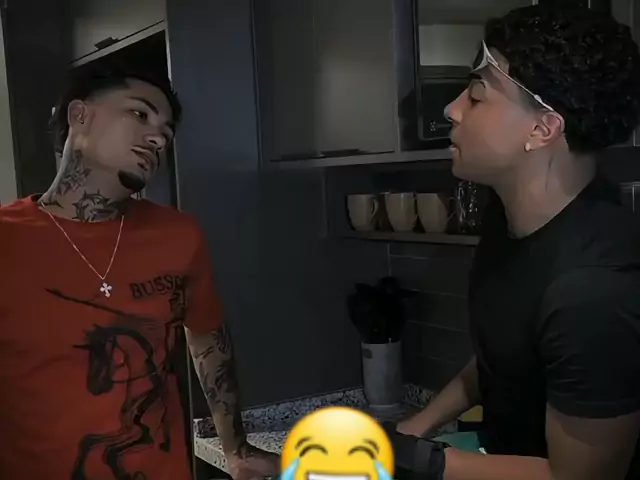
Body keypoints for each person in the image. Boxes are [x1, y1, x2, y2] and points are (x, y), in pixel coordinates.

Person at [387, 5, 640, 480]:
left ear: (542, 129)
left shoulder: (594, 290)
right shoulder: (510, 222)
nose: (452, 108)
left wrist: (424, 461)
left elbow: (580, 477)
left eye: (476, 95)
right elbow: (504, 356)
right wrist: (412, 429)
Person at [0, 65, 279, 480]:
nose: (158, 139)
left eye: (166, 132)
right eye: (140, 114)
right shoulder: (8, 240)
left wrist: (235, 448)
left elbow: (208, 339)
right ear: (80, 115)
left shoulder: (179, 235)